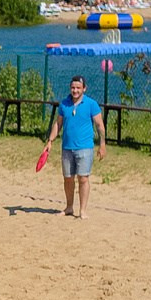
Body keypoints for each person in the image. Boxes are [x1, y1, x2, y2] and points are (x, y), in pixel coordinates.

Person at [43, 74, 108, 218]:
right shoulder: (64, 104)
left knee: (83, 178)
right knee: (68, 178)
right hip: (67, 148)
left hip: (85, 148)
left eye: (78, 88)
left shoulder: (91, 104)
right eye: (73, 87)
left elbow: (99, 125)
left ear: (84, 88)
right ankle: (69, 207)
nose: (75, 90)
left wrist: (102, 144)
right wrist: (50, 141)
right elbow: (58, 124)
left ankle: (83, 210)